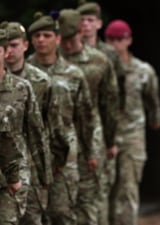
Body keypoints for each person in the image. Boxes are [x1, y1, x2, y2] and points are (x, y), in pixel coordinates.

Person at [27, 11, 96, 225]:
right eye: (36, 36)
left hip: (65, 151)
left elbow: (84, 116)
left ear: (57, 38)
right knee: (32, 214)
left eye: (46, 35)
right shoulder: (23, 72)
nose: (41, 40)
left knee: (62, 212)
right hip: (29, 152)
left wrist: (90, 152)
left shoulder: (73, 73)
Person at [58, 8, 119, 225]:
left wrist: (110, 141)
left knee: (90, 196)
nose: (66, 43)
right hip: (56, 136)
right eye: (62, 38)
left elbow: (110, 103)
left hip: (91, 135)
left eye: (70, 37)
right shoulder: (48, 60)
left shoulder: (99, 61)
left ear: (80, 33)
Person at [104, 19, 160, 225]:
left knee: (128, 188)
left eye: (120, 39)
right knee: (103, 190)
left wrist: (155, 120)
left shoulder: (142, 70)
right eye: (110, 39)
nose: (115, 43)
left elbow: (152, 100)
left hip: (132, 134)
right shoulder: (100, 68)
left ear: (129, 40)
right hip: (103, 136)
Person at [2, 20, 54, 225]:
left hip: (23, 166)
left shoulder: (31, 84)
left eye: (15, 45)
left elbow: (40, 130)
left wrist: (45, 175)